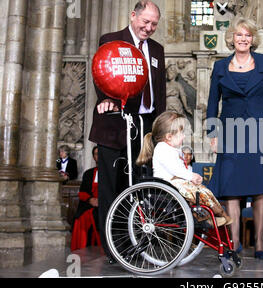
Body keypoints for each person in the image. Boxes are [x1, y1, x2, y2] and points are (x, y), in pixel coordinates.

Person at [88, 0, 166, 263]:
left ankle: (136, 243)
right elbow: (102, 72)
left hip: (145, 126)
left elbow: (160, 91)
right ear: (133, 16)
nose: (149, 27)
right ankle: (114, 249)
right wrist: (104, 99)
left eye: (154, 24)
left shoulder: (157, 49)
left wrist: (160, 125)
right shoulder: (111, 40)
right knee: (112, 187)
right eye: (145, 22)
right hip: (115, 123)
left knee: (139, 187)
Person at [206, 17, 263, 259]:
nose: (243, 39)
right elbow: (211, 102)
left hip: (257, 132)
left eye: (247, 35)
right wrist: (212, 134)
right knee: (232, 189)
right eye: (239, 35)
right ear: (232, 38)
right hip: (229, 131)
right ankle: (234, 241)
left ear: (253, 39)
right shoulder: (219, 66)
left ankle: (258, 241)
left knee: (259, 189)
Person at [135, 111, 232, 227]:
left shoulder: (173, 149)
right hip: (167, 187)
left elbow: (181, 168)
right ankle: (211, 216)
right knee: (199, 192)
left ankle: (219, 215)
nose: (184, 136)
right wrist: (191, 176)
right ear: (169, 136)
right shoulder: (162, 149)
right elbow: (175, 169)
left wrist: (191, 177)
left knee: (203, 190)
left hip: (174, 184)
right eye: (181, 133)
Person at [70, 146, 101, 252]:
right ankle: (82, 248)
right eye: (96, 154)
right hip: (90, 203)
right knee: (81, 217)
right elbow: (82, 192)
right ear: (93, 157)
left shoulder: (110, 173)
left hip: (105, 204)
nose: (98, 156)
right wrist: (90, 200)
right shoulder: (88, 173)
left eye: (100, 153)